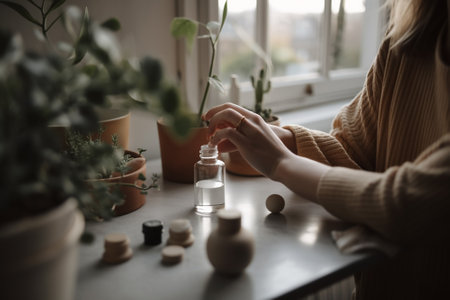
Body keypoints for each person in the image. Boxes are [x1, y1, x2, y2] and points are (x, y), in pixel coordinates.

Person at [204, 0, 450, 298]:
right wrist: (284, 140)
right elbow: (352, 152)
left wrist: (281, 163)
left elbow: (406, 203)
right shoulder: (404, 44)